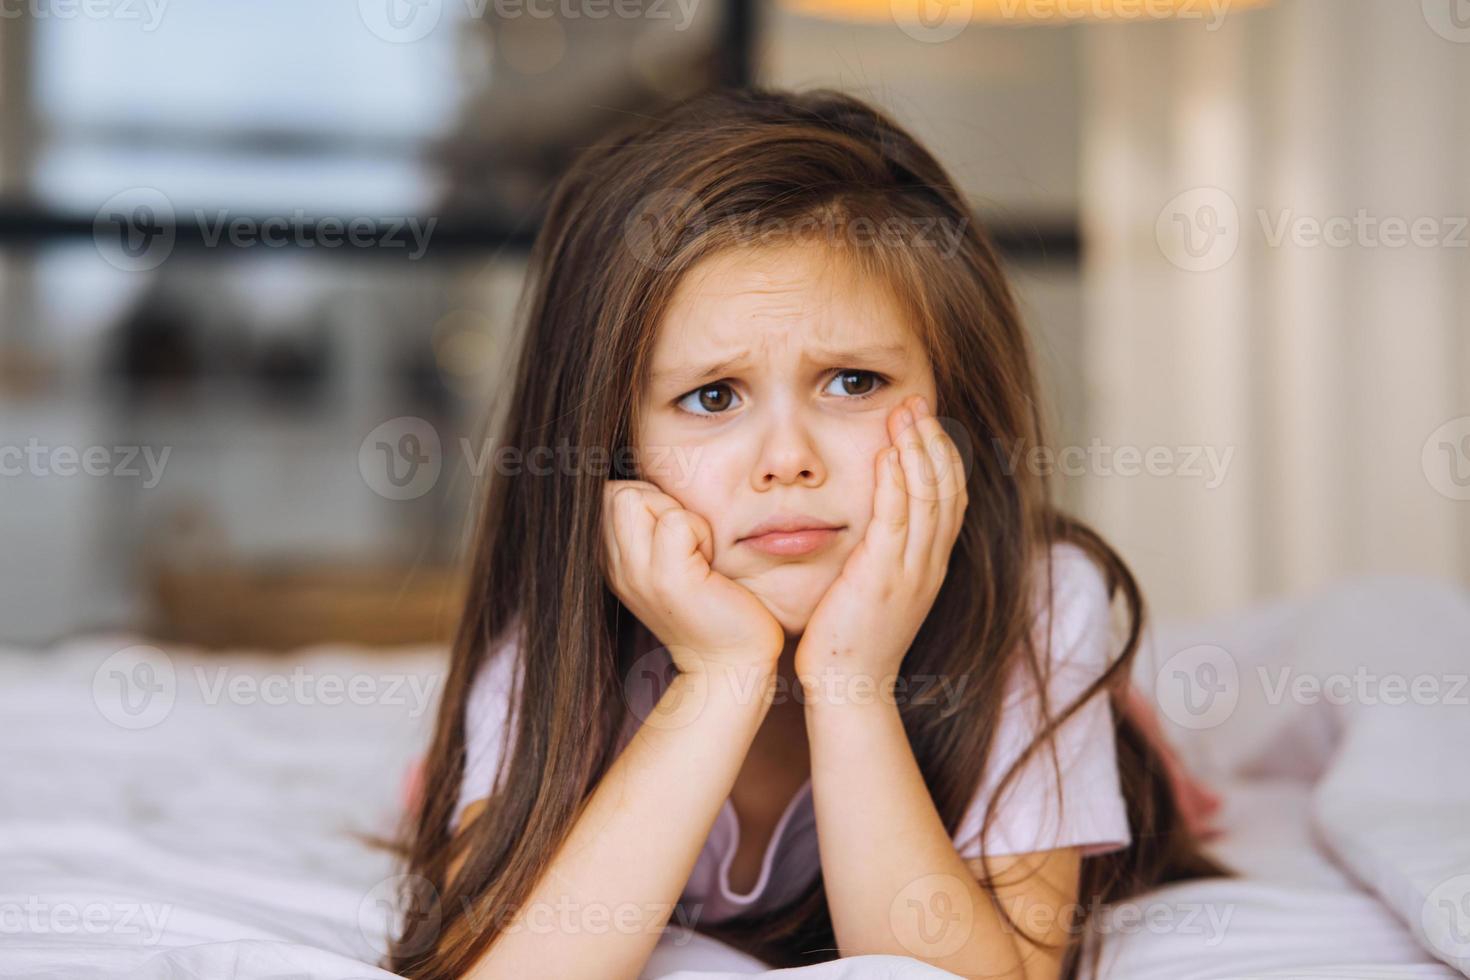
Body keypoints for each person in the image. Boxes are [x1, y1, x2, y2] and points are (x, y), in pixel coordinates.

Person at [385, 87, 1224, 980]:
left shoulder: (1041, 604)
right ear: (610, 450)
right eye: (712, 397)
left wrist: (852, 682)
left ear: (956, 408)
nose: (787, 460)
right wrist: (720, 675)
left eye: (853, 382)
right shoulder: (559, 641)